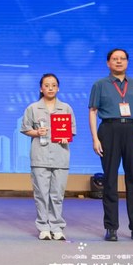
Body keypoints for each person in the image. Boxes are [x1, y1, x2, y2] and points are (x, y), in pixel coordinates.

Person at [89, 48, 133, 242]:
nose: (119, 61)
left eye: (122, 58)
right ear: (108, 63)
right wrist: (95, 138)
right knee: (109, 179)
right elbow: (93, 112)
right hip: (109, 130)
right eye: (115, 59)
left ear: (127, 62)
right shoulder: (100, 85)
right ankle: (111, 228)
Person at [21, 74, 76, 241]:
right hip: (40, 156)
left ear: (58, 88)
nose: (50, 88)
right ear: (41, 88)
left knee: (57, 194)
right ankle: (43, 227)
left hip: (60, 156)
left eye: (53, 85)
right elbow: (25, 129)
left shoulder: (66, 108)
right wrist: (36, 132)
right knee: (41, 194)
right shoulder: (33, 108)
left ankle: (57, 227)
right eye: (46, 85)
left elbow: (72, 131)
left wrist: (66, 137)